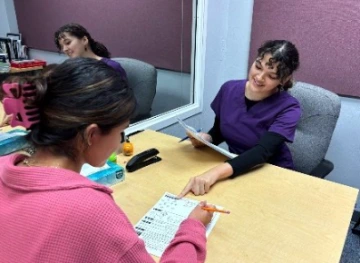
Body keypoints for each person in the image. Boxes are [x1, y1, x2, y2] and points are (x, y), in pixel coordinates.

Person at [0, 58, 214, 262]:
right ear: (91, 135)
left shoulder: (4, 166)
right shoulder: (90, 210)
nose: (119, 142)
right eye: (121, 132)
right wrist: (192, 228)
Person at [179, 40, 301, 197]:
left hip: (272, 173)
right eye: (258, 66)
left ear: (283, 80)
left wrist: (214, 173)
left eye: (271, 76)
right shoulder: (229, 89)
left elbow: (262, 152)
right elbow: (220, 130)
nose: (259, 77)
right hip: (237, 169)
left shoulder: (289, 108)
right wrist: (206, 139)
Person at [54, 23, 127, 80]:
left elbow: (122, 96)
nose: (64, 49)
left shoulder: (111, 67)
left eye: (68, 43)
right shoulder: (70, 70)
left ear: (84, 40)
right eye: (61, 47)